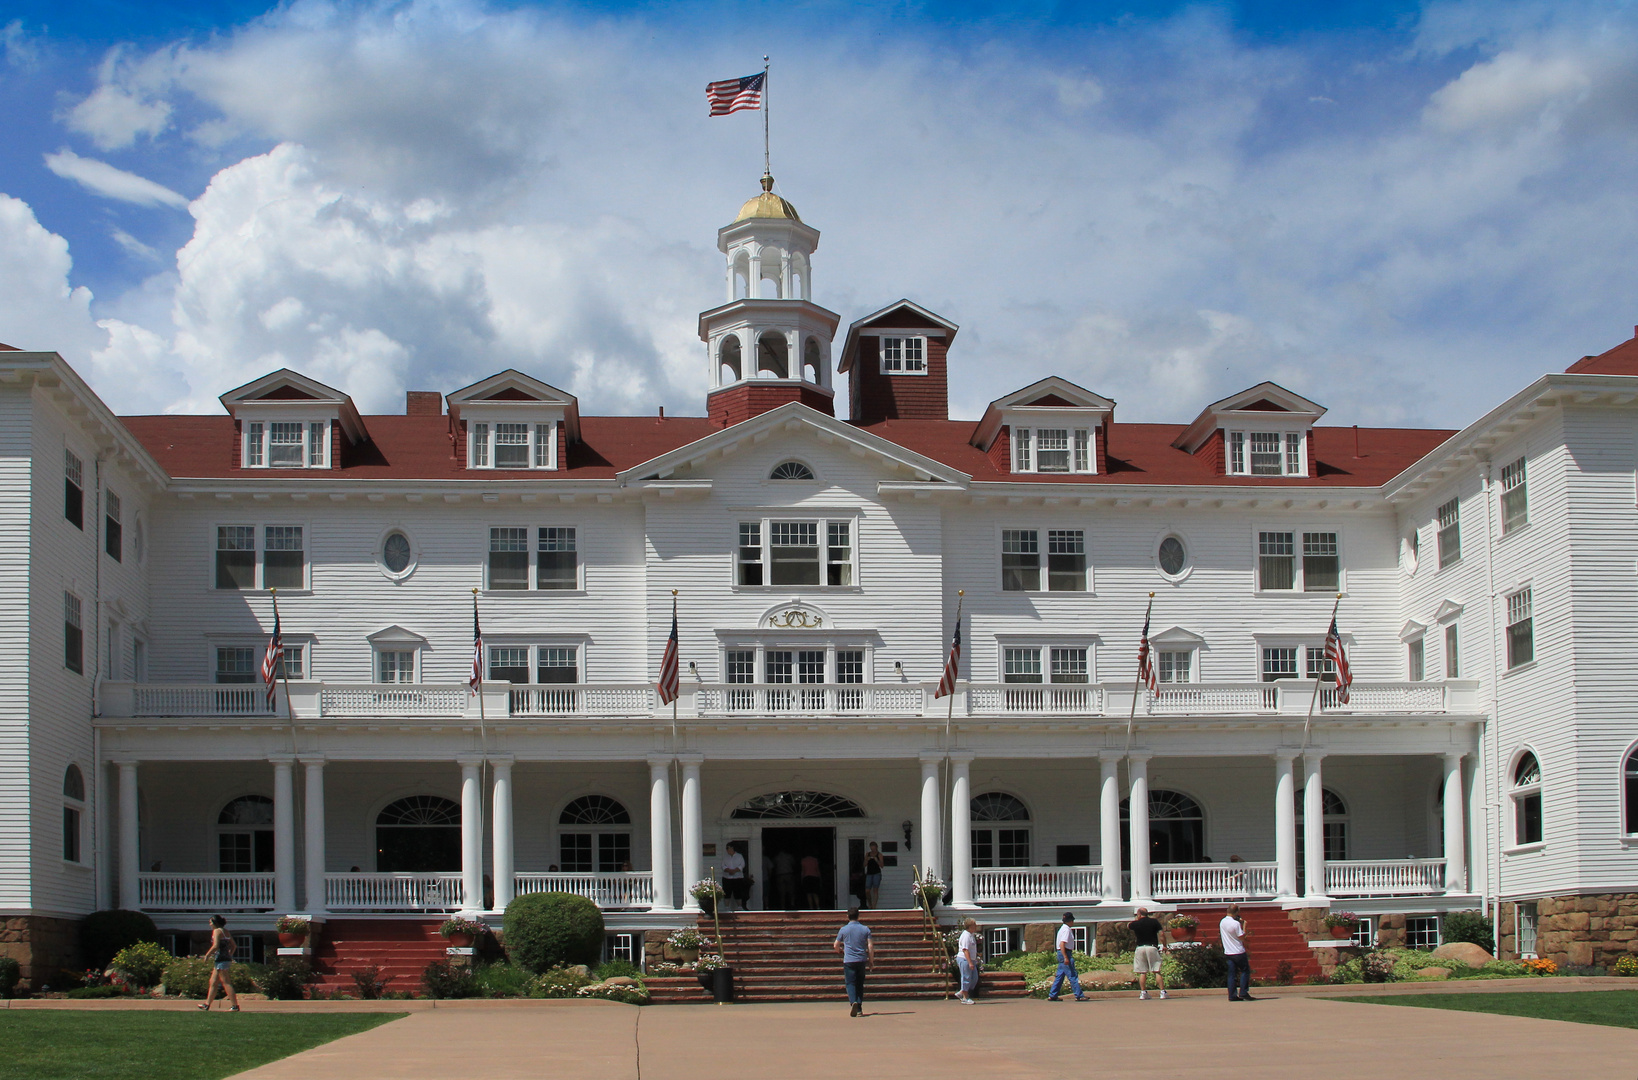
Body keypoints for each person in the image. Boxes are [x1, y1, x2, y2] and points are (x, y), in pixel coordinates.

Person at [833, 906, 874, 1017]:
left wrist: (840, 951)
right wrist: (871, 961)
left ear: (847, 916)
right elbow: (870, 946)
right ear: (858, 916)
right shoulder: (865, 929)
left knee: (850, 982)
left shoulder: (843, 929)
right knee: (860, 984)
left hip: (849, 960)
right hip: (861, 959)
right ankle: (859, 1008)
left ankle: (853, 1001)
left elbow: (835, 945)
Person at [198, 915, 239, 1012]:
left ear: (215, 923)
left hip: (221, 960)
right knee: (213, 982)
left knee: (226, 982)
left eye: (211, 922)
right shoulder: (226, 931)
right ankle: (207, 1004)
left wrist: (207, 955)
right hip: (223, 959)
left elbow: (216, 945)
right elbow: (234, 946)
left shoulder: (216, 931)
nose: (210, 924)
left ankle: (235, 1006)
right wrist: (229, 955)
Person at [1129, 906, 1169, 1000]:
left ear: (1139, 914)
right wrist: (1164, 945)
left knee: (1142, 972)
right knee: (1156, 970)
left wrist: (1136, 919)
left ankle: (1143, 993)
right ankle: (1162, 992)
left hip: (1140, 948)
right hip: (1152, 947)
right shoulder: (1154, 922)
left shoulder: (1136, 923)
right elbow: (1162, 934)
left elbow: (1129, 926)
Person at [1046, 911, 1086, 1002]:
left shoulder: (1062, 928)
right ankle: (1079, 995)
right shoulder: (1066, 930)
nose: (1073, 922)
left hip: (1061, 952)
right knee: (1072, 975)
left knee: (1060, 975)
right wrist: (1065, 957)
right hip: (1065, 952)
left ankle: (1053, 994)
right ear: (1070, 921)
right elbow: (1062, 944)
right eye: (1072, 920)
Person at [1221, 903, 1254, 1001]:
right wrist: (1244, 926)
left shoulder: (1222, 922)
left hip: (1228, 951)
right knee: (1245, 971)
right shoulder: (1235, 924)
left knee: (1232, 974)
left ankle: (1232, 995)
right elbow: (1242, 937)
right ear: (1236, 913)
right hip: (1238, 951)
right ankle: (1243, 992)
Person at [954, 917, 981, 1004]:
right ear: (970, 926)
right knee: (966, 977)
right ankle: (965, 997)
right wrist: (970, 962)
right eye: (974, 925)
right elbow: (965, 950)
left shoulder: (971, 935)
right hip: (964, 959)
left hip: (971, 960)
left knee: (974, 978)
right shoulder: (965, 936)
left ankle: (962, 991)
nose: (976, 927)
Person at [721, 841, 749, 911]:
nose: (727, 850)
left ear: (732, 848)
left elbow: (742, 865)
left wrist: (734, 871)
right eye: (727, 848)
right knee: (727, 892)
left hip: (737, 877)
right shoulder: (725, 857)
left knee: (738, 892)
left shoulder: (739, 856)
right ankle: (727, 907)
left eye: (728, 848)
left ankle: (739, 906)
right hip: (727, 877)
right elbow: (723, 866)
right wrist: (729, 870)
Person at [864, 843, 884, 911]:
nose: (873, 849)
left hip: (876, 873)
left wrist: (876, 860)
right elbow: (864, 865)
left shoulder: (879, 855)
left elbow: (882, 866)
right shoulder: (868, 854)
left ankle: (874, 906)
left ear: (876, 847)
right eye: (871, 848)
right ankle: (870, 904)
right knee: (867, 890)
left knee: (875, 890)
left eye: (874, 848)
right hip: (869, 873)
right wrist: (867, 859)